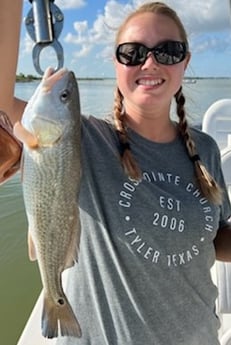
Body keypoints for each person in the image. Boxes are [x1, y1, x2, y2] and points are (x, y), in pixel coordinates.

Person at [1, 1, 231, 344]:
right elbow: (4, 101)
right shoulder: (83, 138)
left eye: (168, 51)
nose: (150, 62)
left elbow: (215, 237)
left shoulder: (206, 149)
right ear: (116, 63)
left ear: (186, 62)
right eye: (133, 52)